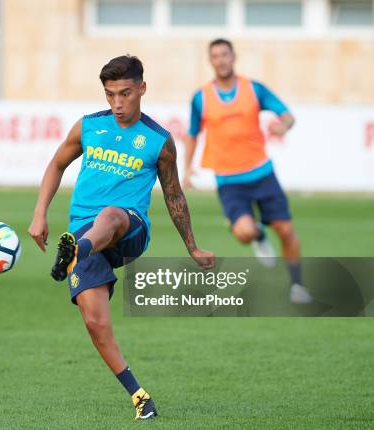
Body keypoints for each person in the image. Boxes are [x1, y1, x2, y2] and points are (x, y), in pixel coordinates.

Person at [28, 55, 215, 420]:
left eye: (125, 93)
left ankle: (75, 251)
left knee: (110, 214)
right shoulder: (87, 127)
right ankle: (141, 397)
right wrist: (39, 214)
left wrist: (191, 246)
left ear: (142, 88)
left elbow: (174, 195)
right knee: (95, 320)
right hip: (84, 228)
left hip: (129, 228)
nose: (117, 103)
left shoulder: (158, 141)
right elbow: (56, 164)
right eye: (110, 94)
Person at [182, 38, 312, 304]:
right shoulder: (201, 98)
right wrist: (187, 168)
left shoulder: (254, 89)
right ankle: (259, 235)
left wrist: (284, 126)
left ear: (233, 57)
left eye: (225, 55)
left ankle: (297, 286)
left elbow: (287, 115)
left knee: (286, 230)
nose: (221, 60)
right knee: (244, 232)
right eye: (215, 56)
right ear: (211, 61)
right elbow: (193, 134)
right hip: (229, 181)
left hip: (262, 174)